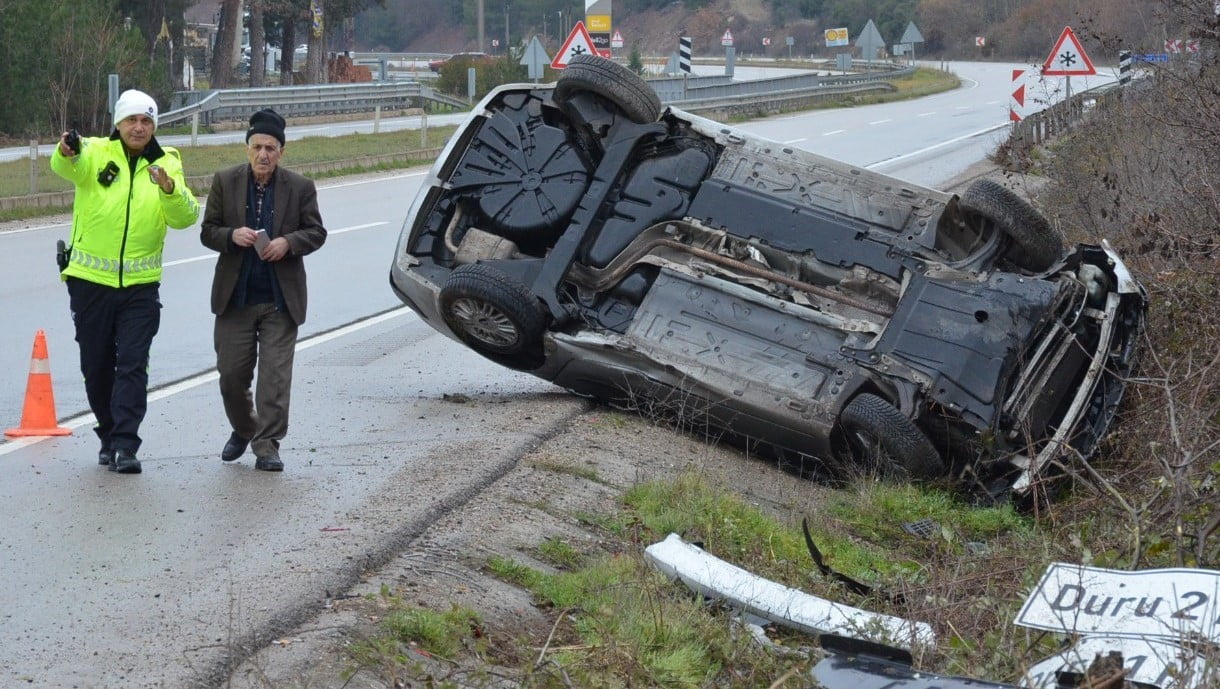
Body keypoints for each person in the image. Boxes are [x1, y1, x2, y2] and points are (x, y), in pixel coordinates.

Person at [51, 89, 200, 475]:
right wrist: (66, 149)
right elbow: (65, 164)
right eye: (132, 120)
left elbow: (186, 216)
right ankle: (108, 434)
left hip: (140, 287)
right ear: (118, 123)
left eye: (147, 121)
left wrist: (168, 188)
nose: (139, 127)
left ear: (154, 126)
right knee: (97, 365)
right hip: (90, 284)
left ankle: (126, 445)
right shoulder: (96, 152)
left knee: (133, 364)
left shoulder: (167, 162)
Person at [200, 109, 327, 472]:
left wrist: (288, 242)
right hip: (235, 299)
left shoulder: (300, 187)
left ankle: (267, 444)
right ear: (247, 148)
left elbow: (316, 232)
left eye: (271, 148)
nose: (263, 155)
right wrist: (230, 235)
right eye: (257, 147)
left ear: (281, 152)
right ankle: (245, 428)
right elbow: (207, 230)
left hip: (279, 300)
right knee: (231, 377)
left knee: (274, 378)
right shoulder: (225, 181)